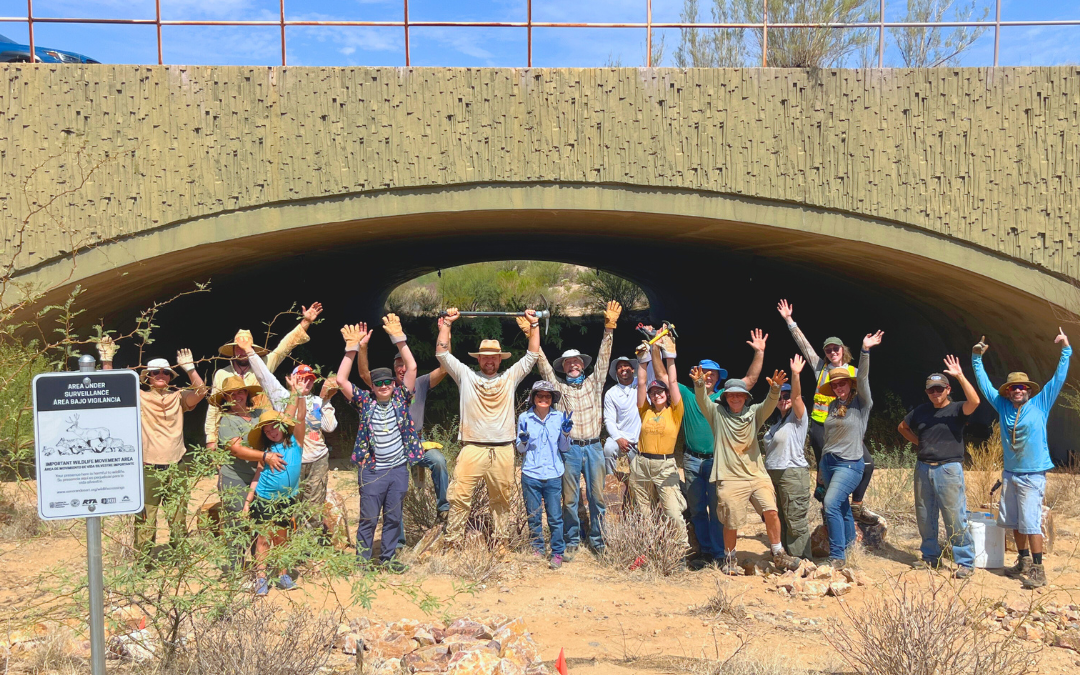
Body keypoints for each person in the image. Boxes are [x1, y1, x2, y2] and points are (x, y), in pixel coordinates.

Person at [971, 328, 1071, 589]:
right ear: (1008, 392)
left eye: (1022, 387)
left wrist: (1065, 350)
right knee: (1013, 521)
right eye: (1013, 387)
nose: (1018, 390)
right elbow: (984, 386)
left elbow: (1058, 379)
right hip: (1011, 473)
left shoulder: (1040, 404)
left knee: (1030, 522)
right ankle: (1023, 561)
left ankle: (1039, 568)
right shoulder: (1002, 406)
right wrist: (976, 359)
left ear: (1028, 390)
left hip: (1032, 475)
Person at [436, 307, 542, 548]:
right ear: (479, 359)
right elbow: (442, 355)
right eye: (485, 357)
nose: (490, 361)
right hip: (472, 447)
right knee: (460, 496)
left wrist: (534, 325)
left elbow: (532, 355)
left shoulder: (509, 378)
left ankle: (501, 542)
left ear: (499, 359)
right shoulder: (466, 376)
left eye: (494, 357)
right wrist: (447, 325)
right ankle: (453, 542)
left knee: (502, 499)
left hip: (503, 448)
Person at [777, 300, 884, 527]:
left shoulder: (853, 372)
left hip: (848, 427)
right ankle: (830, 514)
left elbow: (863, 393)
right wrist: (789, 320)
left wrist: (866, 350)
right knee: (827, 471)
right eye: (828, 350)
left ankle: (856, 505)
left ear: (843, 351)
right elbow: (804, 346)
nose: (832, 352)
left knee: (866, 464)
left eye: (836, 348)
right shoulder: (820, 369)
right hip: (821, 426)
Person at [529, 300, 621, 558]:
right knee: (569, 499)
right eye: (568, 363)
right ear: (564, 368)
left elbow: (604, 358)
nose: (573, 365)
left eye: (576, 362)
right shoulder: (560, 389)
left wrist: (609, 328)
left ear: (583, 364)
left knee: (597, 498)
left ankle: (599, 540)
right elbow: (543, 366)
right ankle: (571, 540)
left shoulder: (595, 383)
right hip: (569, 450)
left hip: (593, 447)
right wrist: (532, 334)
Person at [98, 339, 207, 557]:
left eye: (166, 372)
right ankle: (143, 561)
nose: (161, 375)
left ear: (170, 376)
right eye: (156, 372)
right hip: (148, 468)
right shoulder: (139, 397)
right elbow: (109, 386)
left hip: (176, 467)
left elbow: (201, 392)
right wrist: (107, 360)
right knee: (146, 518)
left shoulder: (178, 397)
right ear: (147, 376)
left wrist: (190, 368)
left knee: (178, 517)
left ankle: (180, 560)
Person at [692, 359, 800, 575]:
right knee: (731, 519)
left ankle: (778, 554)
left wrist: (776, 388)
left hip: (756, 475)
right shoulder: (717, 414)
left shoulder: (754, 414)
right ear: (725, 397)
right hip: (730, 478)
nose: (735, 397)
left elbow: (770, 403)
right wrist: (699, 384)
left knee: (771, 511)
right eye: (731, 394)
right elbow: (703, 400)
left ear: (745, 397)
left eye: (739, 394)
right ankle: (730, 559)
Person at [336, 321, 425, 572]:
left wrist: (399, 338)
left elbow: (413, 367)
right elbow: (341, 379)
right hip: (372, 471)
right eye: (379, 383)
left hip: (398, 469)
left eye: (388, 381)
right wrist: (351, 349)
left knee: (394, 518)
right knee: (368, 519)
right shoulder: (364, 402)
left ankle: (388, 559)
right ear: (372, 387)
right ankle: (362, 562)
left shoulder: (400, 397)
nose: (385, 385)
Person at [677, 330, 766, 567]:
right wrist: (659, 348)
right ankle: (705, 550)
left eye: (712, 374)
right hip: (692, 460)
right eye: (704, 373)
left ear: (718, 378)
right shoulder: (687, 394)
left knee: (719, 508)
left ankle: (719, 553)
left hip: (719, 461)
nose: (707, 377)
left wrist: (759, 352)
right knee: (696, 508)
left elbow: (751, 380)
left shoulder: (725, 398)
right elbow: (666, 377)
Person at [358, 314, 451, 531]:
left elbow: (445, 368)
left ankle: (443, 509)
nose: (401, 369)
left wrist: (445, 331)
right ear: (393, 368)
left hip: (417, 442)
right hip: (389, 446)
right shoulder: (384, 387)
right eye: (397, 365)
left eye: (404, 364)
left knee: (437, 461)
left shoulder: (419, 383)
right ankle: (397, 542)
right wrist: (362, 347)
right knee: (394, 490)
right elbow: (363, 373)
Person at [237, 333, 338, 532]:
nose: (305, 383)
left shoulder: (318, 401)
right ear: (292, 379)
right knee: (292, 507)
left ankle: (309, 549)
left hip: (317, 459)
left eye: (309, 380)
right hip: (292, 460)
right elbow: (264, 377)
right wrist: (249, 351)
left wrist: (327, 401)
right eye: (301, 379)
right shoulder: (283, 397)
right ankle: (290, 546)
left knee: (313, 506)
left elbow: (330, 427)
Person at [897, 356, 980, 578]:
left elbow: (975, 402)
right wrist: (919, 442)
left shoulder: (956, 409)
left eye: (939, 389)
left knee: (954, 516)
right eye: (931, 390)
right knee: (925, 515)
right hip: (923, 468)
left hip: (949, 469)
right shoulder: (921, 411)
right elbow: (902, 427)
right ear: (927, 392)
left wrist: (961, 375)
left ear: (947, 389)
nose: (936, 393)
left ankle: (965, 561)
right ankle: (930, 558)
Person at [204, 302, 321, 450]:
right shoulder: (222, 374)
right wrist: (211, 439)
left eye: (245, 348)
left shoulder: (263, 364)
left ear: (251, 349)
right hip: (232, 429)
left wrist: (305, 322)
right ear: (233, 350)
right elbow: (214, 409)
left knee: (264, 463)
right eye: (238, 348)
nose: (242, 352)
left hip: (264, 428)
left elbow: (285, 346)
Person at [818, 330, 884, 568]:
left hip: (849, 463)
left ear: (850, 384)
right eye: (834, 384)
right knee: (842, 507)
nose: (838, 387)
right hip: (829, 462)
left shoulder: (861, 403)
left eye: (842, 383)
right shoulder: (833, 406)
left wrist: (865, 351)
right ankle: (849, 550)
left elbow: (864, 378)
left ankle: (836, 556)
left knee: (831, 504)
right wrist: (820, 468)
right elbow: (828, 438)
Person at [242, 380, 306, 596]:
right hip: (264, 499)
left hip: (286, 500)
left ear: (282, 427)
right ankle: (261, 578)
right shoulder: (266, 452)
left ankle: (283, 574)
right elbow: (257, 475)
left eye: (274, 427)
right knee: (263, 538)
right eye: (266, 430)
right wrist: (248, 501)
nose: (271, 432)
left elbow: (297, 415)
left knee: (282, 537)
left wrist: (297, 394)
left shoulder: (295, 441)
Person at [632, 341, 689, 555]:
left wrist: (670, 356)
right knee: (644, 512)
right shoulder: (644, 411)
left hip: (667, 465)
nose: (657, 394)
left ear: (666, 395)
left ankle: (681, 550)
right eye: (653, 392)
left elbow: (672, 381)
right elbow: (640, 384)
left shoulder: (675, 412)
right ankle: (649, 550)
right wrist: (642, 361)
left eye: (660, 392)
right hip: (641, 465)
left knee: (673, 511)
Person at [212, 375, 273, 570]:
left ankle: (259, 569)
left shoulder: (260, 414)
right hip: (235, 479)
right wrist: (265, 456)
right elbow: (236, 449)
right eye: (231, 393)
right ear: (225, 398)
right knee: (237, 524)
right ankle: (236, 570)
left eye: (241, 391)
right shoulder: (227, 421)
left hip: (262, 477)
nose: (236, 396)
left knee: (261, 522)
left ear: (247, 394)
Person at [516, 381, 574, 569]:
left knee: (555, 516)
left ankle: (557, 552)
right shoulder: (524, 417)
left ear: (552, 400)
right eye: (539, 396)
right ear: (533, 398)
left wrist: (566, 433)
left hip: (553, 473)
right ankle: (537, 548)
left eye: (547, 396)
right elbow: (520, 449)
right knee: (533, 515)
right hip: (531, 473)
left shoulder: (559, 417)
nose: (543, 399)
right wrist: (523, 440)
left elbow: (564, 448)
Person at [762, 355, 812, 560]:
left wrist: (795, 375)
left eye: (787, 396)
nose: (784, 400)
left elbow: (798, 398)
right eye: (781, 396)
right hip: (773, 475)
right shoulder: (775, 425)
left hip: (792, 473)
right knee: (779, 518)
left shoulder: (797, 419)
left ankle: (802, 562)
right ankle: (785, 559)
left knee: (795, 520)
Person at [603, 356, 640, 475]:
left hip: (640, 438)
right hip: (621, 436)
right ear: (616, 373)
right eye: (619, 367)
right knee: (608, 448)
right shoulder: (611, 393)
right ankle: (611, 480)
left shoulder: (642, 386)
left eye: (626, 365)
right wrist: (618, 438)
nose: (623, 368)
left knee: (638, 474)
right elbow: (609, 419)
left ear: (633, 369)